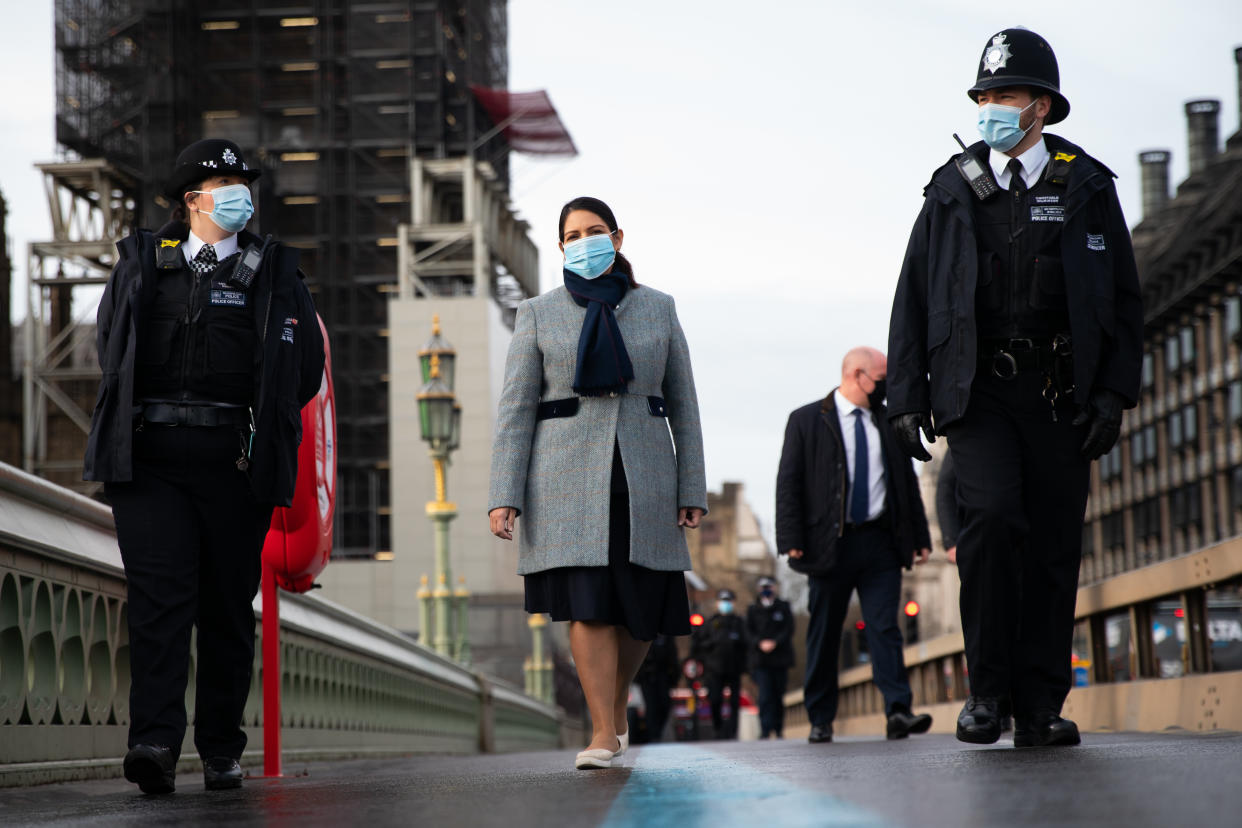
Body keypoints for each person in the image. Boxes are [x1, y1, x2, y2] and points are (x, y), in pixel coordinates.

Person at [887, 27, 1142, 748]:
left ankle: (1040, 705)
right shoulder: (950, 190)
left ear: (1041, 105)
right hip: (978, 393)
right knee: (993, 523)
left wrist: (1114, 395)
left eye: (1004, 95)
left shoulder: (1085, 186)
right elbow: (911, 297)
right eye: (984, 95)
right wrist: (906, 397)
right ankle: (987, 693)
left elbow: (1124, 299)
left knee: (1055, 546)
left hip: (1062, 391)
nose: (992, 107)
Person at [83, 138, 324, 793]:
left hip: (232, 463)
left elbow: (302, 372)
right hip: (150, 463)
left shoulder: (274, 272)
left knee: (225, 611)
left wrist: (260, 439)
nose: (240, 190)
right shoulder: (141, 264)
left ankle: (221, 749)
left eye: (245, 180)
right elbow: (112, 346)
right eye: (225, 181)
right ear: (191, 199)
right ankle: (154, 743)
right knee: (158, 608)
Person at [488, 196, 707, 770]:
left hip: (645, 476)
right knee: (589, 607)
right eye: (573, 234)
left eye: (595, 231)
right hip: (563, 480)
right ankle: (603, 730)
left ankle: (614, 708)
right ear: (561, 246)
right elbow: (515, 408)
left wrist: (692, 488)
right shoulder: (536, 312)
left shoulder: (657, 308)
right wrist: (503, 495)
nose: (584, 241)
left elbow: (684, 404)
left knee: (641, 613)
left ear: (617, 237)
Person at [776, 346, 934, 744]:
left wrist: (919, 537)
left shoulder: (889, 421)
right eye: (881, 380)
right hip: (829, 544)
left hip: (881, 543)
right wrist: (791, 539)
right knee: (824, 632)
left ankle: (898, 711)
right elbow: (789, 482)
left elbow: (906, 483)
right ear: (856, 375)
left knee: (885, 627)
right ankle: (820, 718)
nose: (886, 387)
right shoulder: (807, 420)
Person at [691, 588, 748, 739]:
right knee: (715, 699)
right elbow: (700, 645)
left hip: (734, 668)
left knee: (735, 702)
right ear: (717, 603)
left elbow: (746, 645)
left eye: (728, 601)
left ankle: (732, 731)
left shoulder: (739, 623)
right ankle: (718, 727)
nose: (725, 604)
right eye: (723, 601)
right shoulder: (711, 623)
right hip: (714, 670)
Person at [745, 576, 794, 739]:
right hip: (761, 661)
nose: (766, 590)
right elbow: (748, 632)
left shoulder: (783, 607)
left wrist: (775, 642)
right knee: (765, 695)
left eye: (769, 586)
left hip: (780, 659)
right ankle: (765, 729)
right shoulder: (752, 609)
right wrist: (760, 643)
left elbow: (789, 629)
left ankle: (779, 728)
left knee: (778, 695)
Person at [632, 633, 680, 743]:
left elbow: (672, 653)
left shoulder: (665, 635)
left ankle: (658, 731)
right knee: (651, 706)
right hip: (646, 676)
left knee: (665, 704)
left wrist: (675, 676)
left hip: (662, 675)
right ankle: (654, 735)